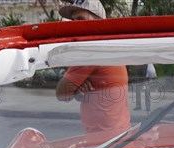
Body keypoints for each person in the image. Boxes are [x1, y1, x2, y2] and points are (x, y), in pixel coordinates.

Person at [56, 0, 131, 140]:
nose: (75, 24)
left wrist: (73, 88)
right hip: (119, 134)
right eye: (73, 20)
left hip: (103, 141)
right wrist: (77, 89)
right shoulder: (109, 47)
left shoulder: (91, 52)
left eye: (81, 19)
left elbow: (61, 93)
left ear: (98, 22)